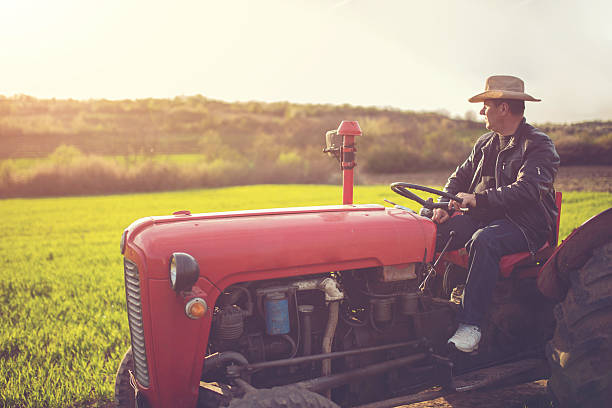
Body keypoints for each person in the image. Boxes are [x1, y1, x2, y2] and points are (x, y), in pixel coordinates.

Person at [434, 75, 560, 353]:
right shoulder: (486, 143)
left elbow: (528, 190)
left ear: (503, 108)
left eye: (486, 105)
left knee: (484, 240)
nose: (481, 111)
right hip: (489, 218)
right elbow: (459, 177)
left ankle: (471, 326)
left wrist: (478, 200)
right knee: (433, 233)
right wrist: (443, 204)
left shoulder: (538, 145)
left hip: (526, 226)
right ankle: (426, 307)